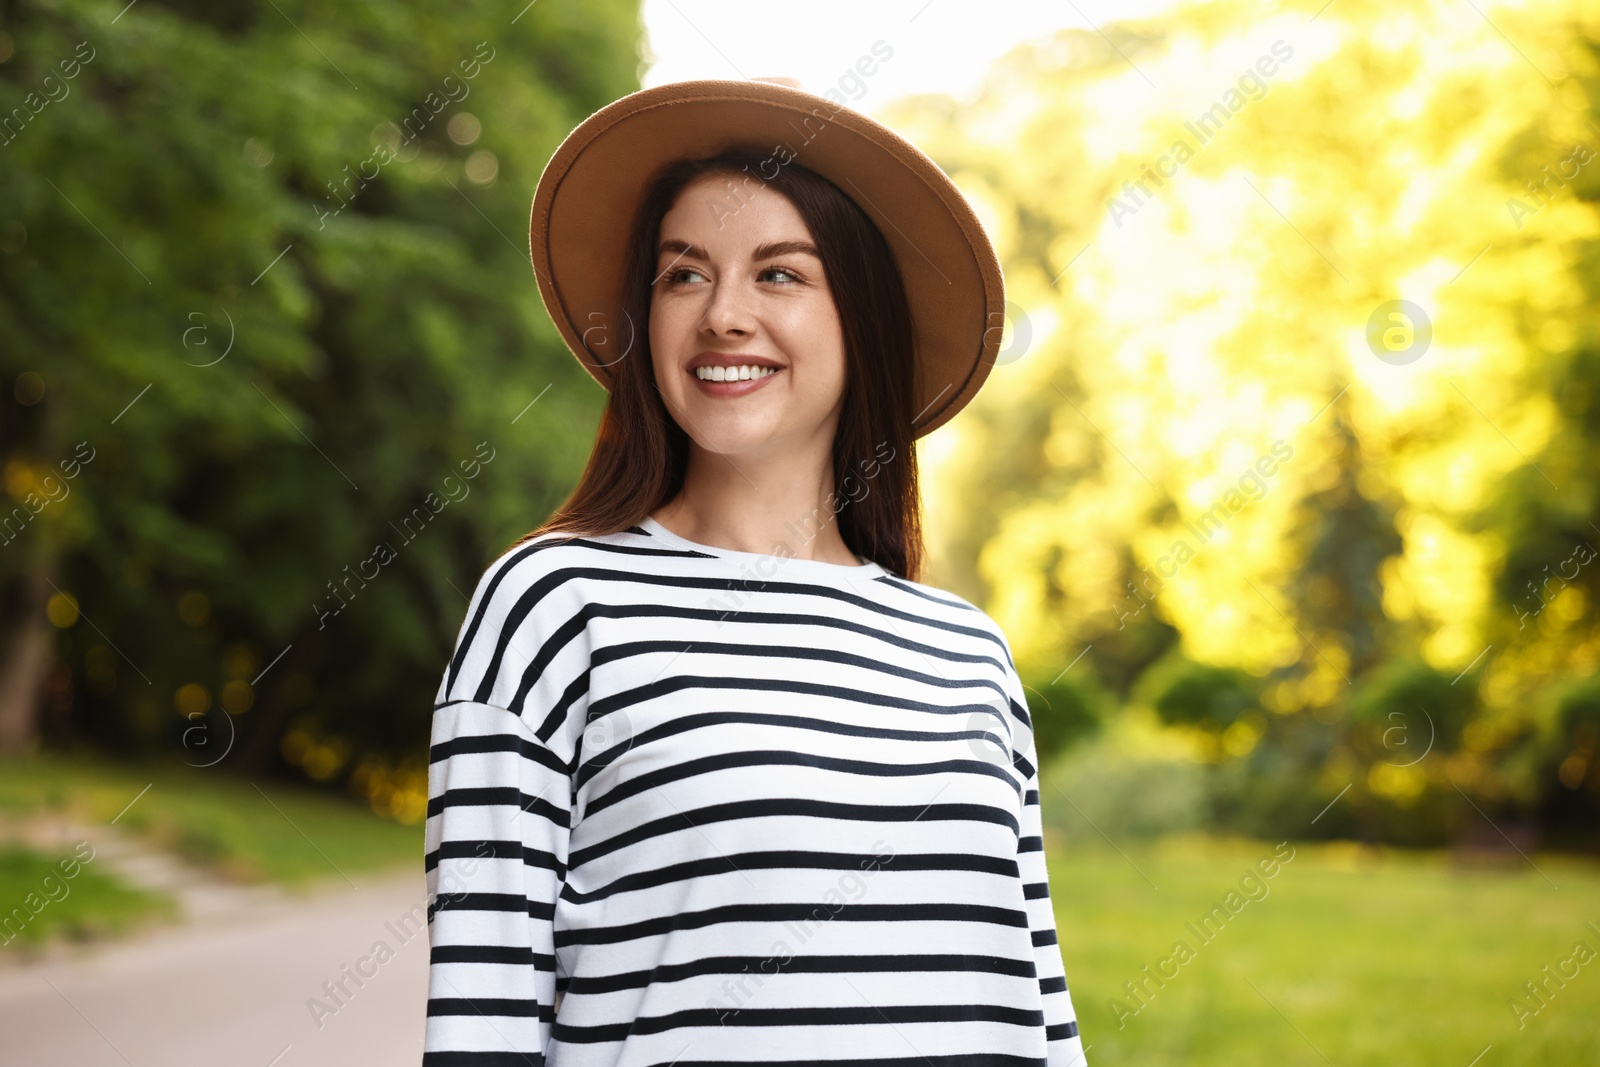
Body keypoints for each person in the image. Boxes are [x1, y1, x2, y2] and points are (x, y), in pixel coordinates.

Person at [422, 77, 1087, 1066]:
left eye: (779, 274)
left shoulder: (971, 654)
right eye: (683, 274)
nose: (722, 314)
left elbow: (1038, 1010)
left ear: (858, 317)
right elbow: (482, 1024)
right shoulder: (555, 609)